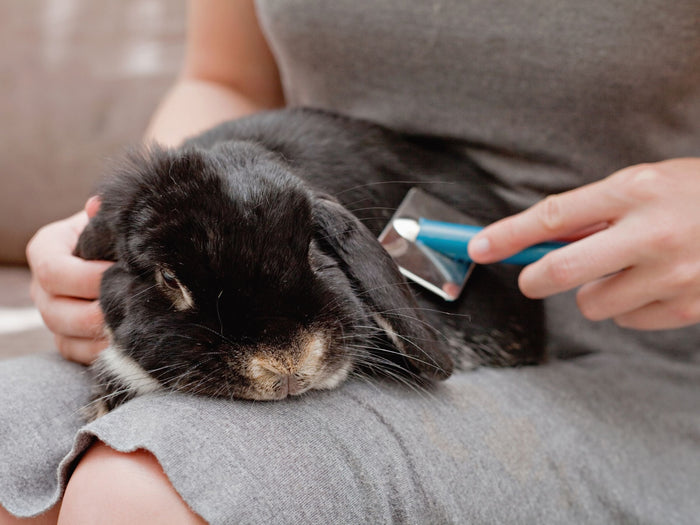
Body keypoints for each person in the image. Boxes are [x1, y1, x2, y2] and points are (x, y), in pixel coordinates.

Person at [3, 1, 699, 523]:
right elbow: (226, 80)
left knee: (144, 489)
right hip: (300, 273)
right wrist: (141, 218)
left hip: (638, 338)